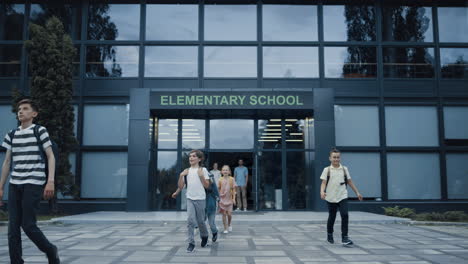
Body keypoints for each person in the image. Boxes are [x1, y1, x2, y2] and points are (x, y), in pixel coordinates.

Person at [0, 99, 60, 264]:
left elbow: (50, 156)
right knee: (13, 229)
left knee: (28, 225)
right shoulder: (11, 134)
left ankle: (50, 250)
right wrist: (1, 187)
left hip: (33, 182)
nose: (20, 111)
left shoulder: (39, 131)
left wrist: (51, 181)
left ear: (34, 114)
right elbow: (7, 163)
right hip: (15, 184)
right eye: (19, 109)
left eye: (25, 109)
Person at [320, 148, 363, 246]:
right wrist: (322, 192)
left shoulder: (344, 169)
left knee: (345, 215)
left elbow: (350, 182)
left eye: (338, 157)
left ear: (340, 158)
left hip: (342, 195)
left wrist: (357, 192)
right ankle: (329, 234)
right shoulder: (327, 170)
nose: (336, 159)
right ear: (330, 158)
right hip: (330, 197)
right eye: (334, 157)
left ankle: (345, 238)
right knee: (332, 216)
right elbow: (323, 183)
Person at [171, 150, 210, 253]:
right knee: (190, 220)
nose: (191, 158)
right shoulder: (186, 171)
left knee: (201, 221)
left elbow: (207, 186)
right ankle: (191, 243)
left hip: (200, 199)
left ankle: (205, 236)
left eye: (193, 156)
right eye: (190, 156)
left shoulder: (203, 170)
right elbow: (180, 186)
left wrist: (201, 176)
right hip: (190, 198)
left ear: (199, 159)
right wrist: (181, 175)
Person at [218, 165, 236, 233]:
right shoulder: (220, 179)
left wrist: (234, 198)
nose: (225, 171)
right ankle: (225, 228)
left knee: (229, 214)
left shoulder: (232, 179)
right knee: (224, 214)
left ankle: (229, 224)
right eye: (224, 170)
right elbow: (218, 188)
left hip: (229, 199)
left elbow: (234, 189)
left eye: (226, 170)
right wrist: (218, 198)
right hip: (222, 199)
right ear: (221, 172)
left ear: (229, 171)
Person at [205, 172, 219, 242]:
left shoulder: (212, 184)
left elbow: (216, 191)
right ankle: (204, 238)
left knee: (211, 223)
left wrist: (218, 198)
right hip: (202, 206)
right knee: (202, 223)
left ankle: (215, 232)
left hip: (211, 206)